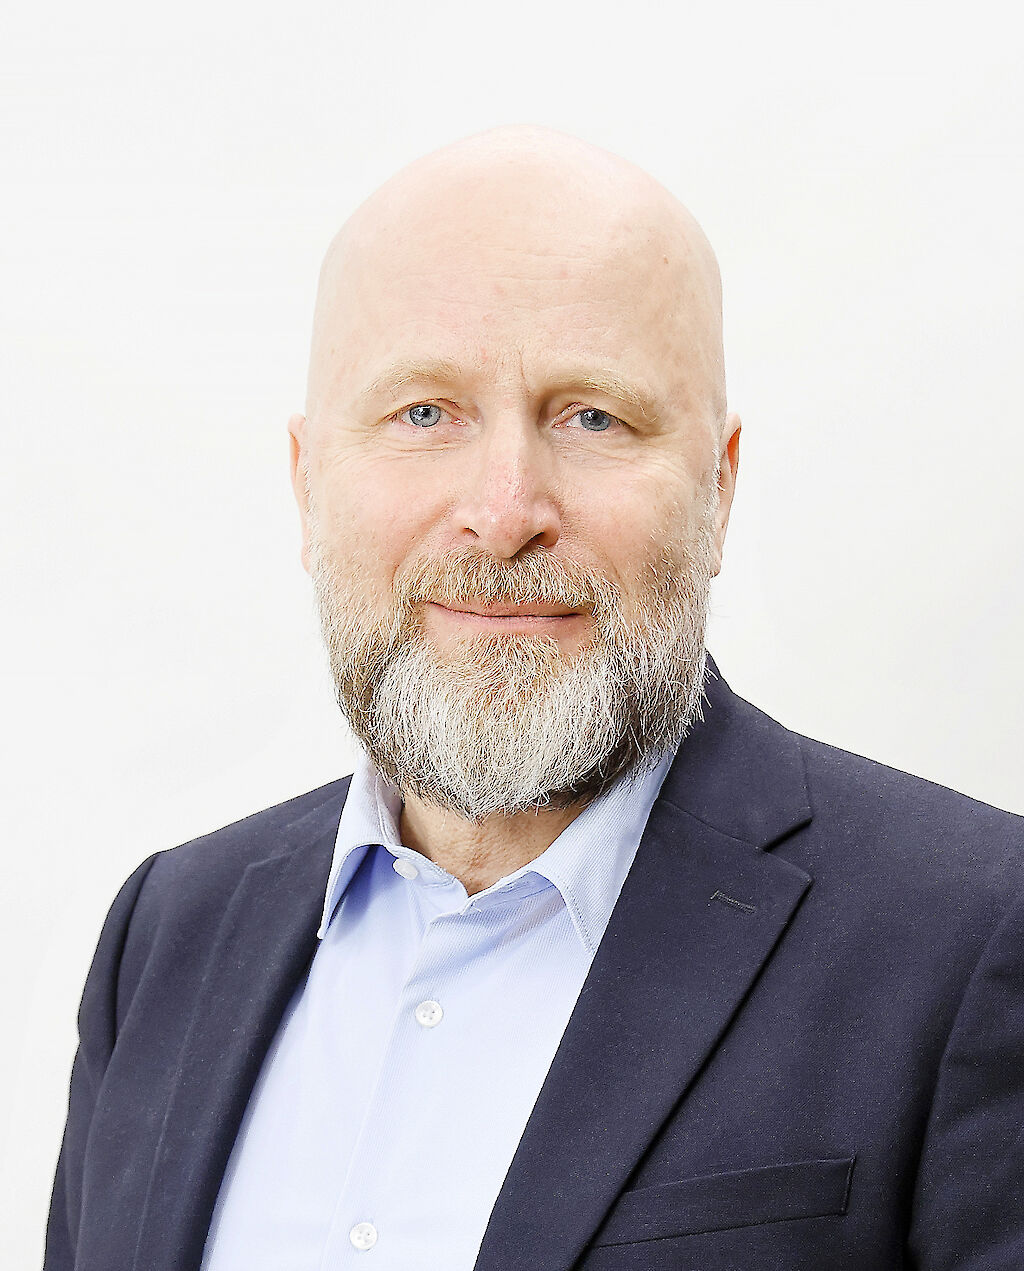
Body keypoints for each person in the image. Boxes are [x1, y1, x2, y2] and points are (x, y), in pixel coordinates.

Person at [45, 127, 1024, 1271]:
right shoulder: (166, 932)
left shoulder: (973, 930)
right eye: (424, 413)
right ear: (307, 486)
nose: (504, 512)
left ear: (718, 488)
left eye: (592, 416)